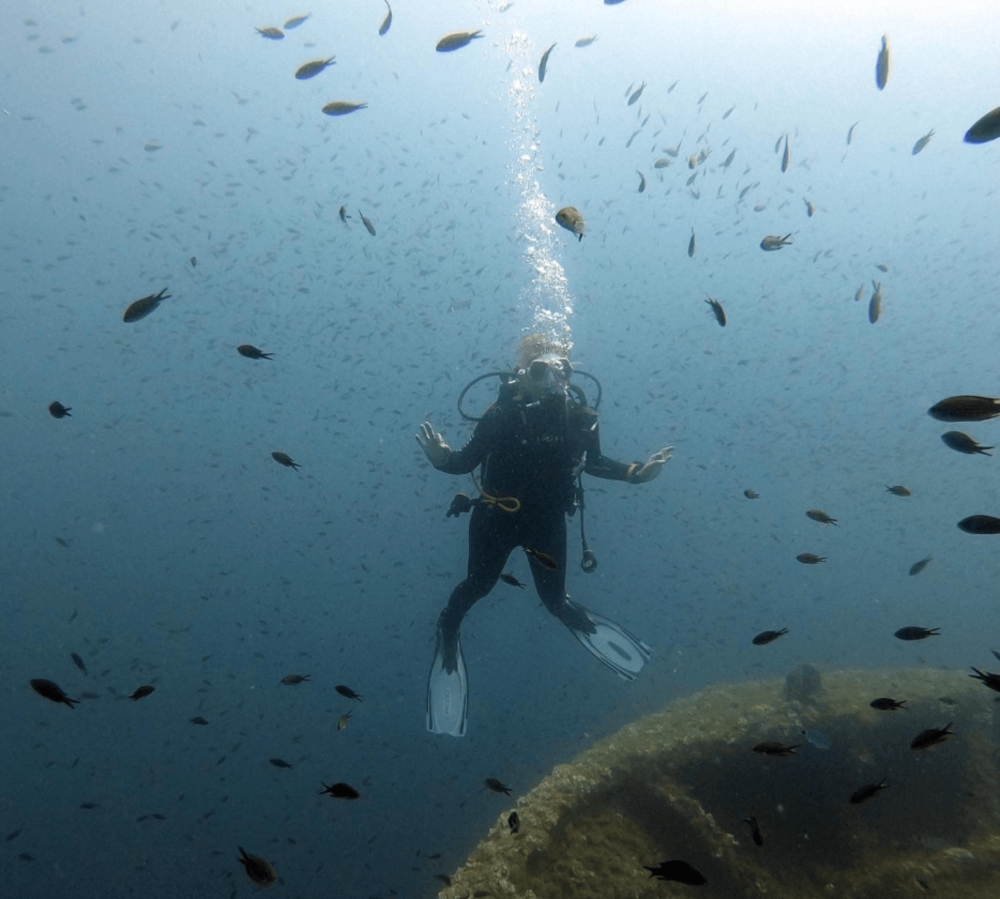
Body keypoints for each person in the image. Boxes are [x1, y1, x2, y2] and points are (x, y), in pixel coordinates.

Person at [416, 334, 672, 736]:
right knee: (479, 586)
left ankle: (573, 616)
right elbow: (464, 460)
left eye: (561, 370)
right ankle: (448, 626)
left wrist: (637, 474)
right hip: (495, 516)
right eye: (541, 370)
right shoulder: (500, 415)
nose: (553, 379)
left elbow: (597, 463)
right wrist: (441, 460)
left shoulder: (581, 417)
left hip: (547, 522)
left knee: (554, 600)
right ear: (523, 375)